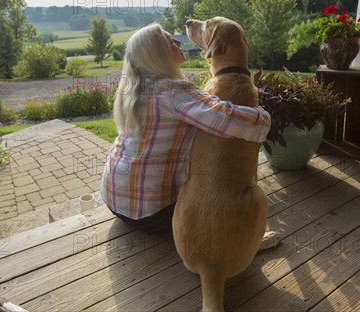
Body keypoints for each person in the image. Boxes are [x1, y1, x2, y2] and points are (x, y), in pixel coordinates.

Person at [101, 23, 271, 233]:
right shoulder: (173, 92)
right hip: (152, 213)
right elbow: (228, 120)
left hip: (113, 200)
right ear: (157, 54)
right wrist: (263, 117)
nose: (179, 42)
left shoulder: (132, 90)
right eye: (170, 41)